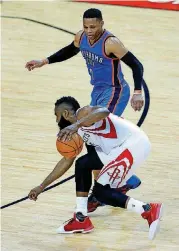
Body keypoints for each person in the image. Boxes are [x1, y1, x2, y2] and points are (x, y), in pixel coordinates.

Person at [25, 8, 144, 211]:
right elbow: (70, 50)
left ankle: (108, 186)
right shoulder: (81, 37)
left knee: (100, 137)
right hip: (97, 90)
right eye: (86, 26)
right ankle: (122, 181)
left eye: (93, 27)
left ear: (102, 24)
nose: (89, 31)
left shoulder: (111, 43)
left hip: (115, 91)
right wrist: (44, 61)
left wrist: (138, 91)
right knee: (95, 139)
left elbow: (136, 65)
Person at [28, 96, 163, 240]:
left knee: (100, 192)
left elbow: (103, 111)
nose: (56, 121)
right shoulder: (78, 131)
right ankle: (81, 218)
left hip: (134, 145)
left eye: (57, 115)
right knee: (82, 164)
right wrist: (41, 186)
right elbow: (67, 160)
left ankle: (148, 209)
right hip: (118, 149)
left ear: (66, 114)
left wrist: (76, 125)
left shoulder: (83, 113)